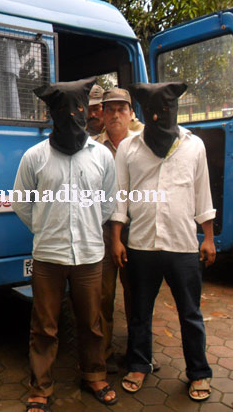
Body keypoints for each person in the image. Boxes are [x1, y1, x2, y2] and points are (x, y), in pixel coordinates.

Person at [12, 78, 118, 412]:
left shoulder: (101, 156)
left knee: (91, 322)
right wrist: (44, 228)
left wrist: (89, 226)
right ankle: (40, 388)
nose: (72, 116)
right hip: (48, 257)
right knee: (44, 327)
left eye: (79, 109)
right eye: (64, 110)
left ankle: (94, 375)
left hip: (89, 255)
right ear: (52, 114)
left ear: (87, 112)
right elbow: (20, 202)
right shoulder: (35, 156)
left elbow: (108, 201)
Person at [112, 82, 216, 401]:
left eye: (166, 110)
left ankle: (199, 372)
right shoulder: (129, 148)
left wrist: (208, 237)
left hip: (183, 244)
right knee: (140, 311)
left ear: (175, 110)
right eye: (152, 111)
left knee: (190, 313)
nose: (159, 117)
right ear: (143, 112)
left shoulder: (193, 145)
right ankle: (139, 364)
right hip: (141, 244)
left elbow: (202, 192)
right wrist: (116, 239)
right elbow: (120, 196)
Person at [92, 87, 142, 374]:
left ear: (131, 113)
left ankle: (138, 354)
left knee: (137, 293)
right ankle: (102, 355)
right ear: (102, 114)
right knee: (102, 295)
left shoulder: (143, 143)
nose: (114, 115)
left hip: (136, 230)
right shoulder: (92, 146)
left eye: (121, 109)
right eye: (109, 109)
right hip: (102, 230)